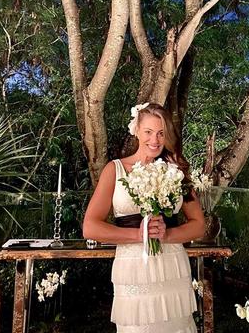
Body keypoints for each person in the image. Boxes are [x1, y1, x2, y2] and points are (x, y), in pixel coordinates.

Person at [83, 102, 206, 333]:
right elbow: (90, 227)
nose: (155, 140)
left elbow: (199, 225)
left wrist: (168, 234)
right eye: (149, 132)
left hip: (173, 268)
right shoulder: (115, 169)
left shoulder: (175, 170)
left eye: (161, 133)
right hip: (133, 269)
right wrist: (137, 234)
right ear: (136, 130)